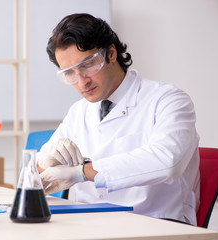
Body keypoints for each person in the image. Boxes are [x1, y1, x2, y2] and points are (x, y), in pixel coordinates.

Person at [37, 13, 200, 225]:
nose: (81, 81)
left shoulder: (168, 100)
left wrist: (82, 173)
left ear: (111, 53)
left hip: (156, 224)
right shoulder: (79, 112)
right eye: (69, 73)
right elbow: (34, 176)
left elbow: (167, 162)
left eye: (87, 64)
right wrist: (43, 162)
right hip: (90, 225)